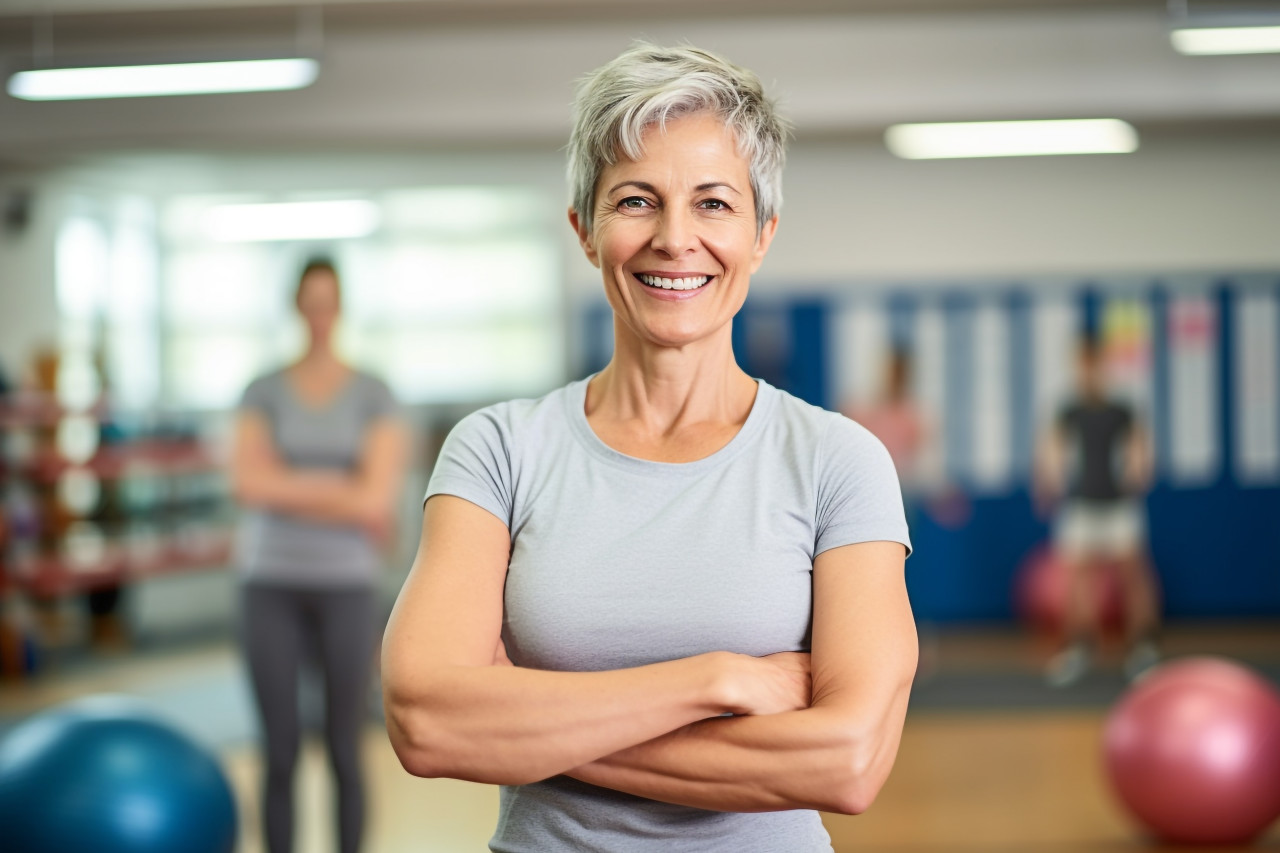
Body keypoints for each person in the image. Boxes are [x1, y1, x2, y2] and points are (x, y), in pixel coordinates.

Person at [381, 43, 916, 852]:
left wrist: (523, 721)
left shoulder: (838, 461)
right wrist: (718, 679)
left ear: (761, 234)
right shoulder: (496, 451)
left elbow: (847, 761)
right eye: (636, 200)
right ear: (584, 230)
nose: (674, 238)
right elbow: (426, 722)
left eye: (713, 203)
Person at [231, 258, 408, 853]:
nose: (319, 313)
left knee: (344, 749)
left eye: (328, 301)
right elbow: (248, 485)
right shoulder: (262, 390)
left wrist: (285, 482)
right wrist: (343, 488)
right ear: (296, 306)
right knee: (278, 751)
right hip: (268, 581)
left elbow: (376, 497)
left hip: (346, 585)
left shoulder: (373, 392)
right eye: (309, 301)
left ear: (340, 307)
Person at [1035, 334, 1160, 687]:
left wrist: (1139, 468)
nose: (1089, 371)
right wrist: (1047, 482)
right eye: (1083, 364)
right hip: (1080, 504)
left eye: (1095, 363)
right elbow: (1051, 450)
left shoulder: (1123, 409)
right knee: (1077, 579)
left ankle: (1144, 646)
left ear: (1104, 365)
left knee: (1133, 575)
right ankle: (1080, 647)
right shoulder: (1067, 409)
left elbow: (1140, 449)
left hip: (1119, 504)